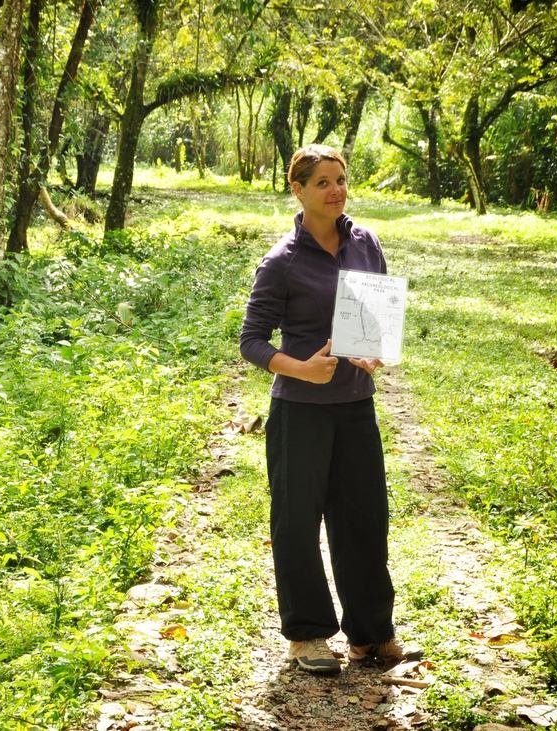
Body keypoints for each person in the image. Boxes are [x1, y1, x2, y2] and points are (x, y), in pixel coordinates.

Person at [239, 144, 413, 675]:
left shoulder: (366, 242)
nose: (336, 190)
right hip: (301, 412)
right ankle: (308, 635)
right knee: (296, 522)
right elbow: (251, 342)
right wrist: (300, 367)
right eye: (322, 182)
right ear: (298, 189)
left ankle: (370, 634)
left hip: (356, 407)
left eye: (340, 179)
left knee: (364, 520)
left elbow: (375, 311)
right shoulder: (282, 261)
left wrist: (377, 347)